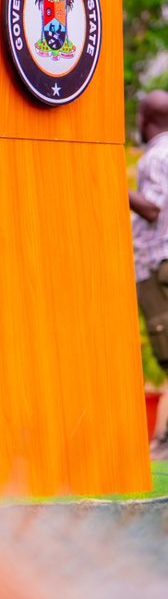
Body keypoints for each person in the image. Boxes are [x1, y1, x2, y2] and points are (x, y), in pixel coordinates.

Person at [131, 93, 168, 456]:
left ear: (146, 119)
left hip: (159, 264)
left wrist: (113, 186)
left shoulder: (157, 155)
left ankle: (163, 442)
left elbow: (153, 210)